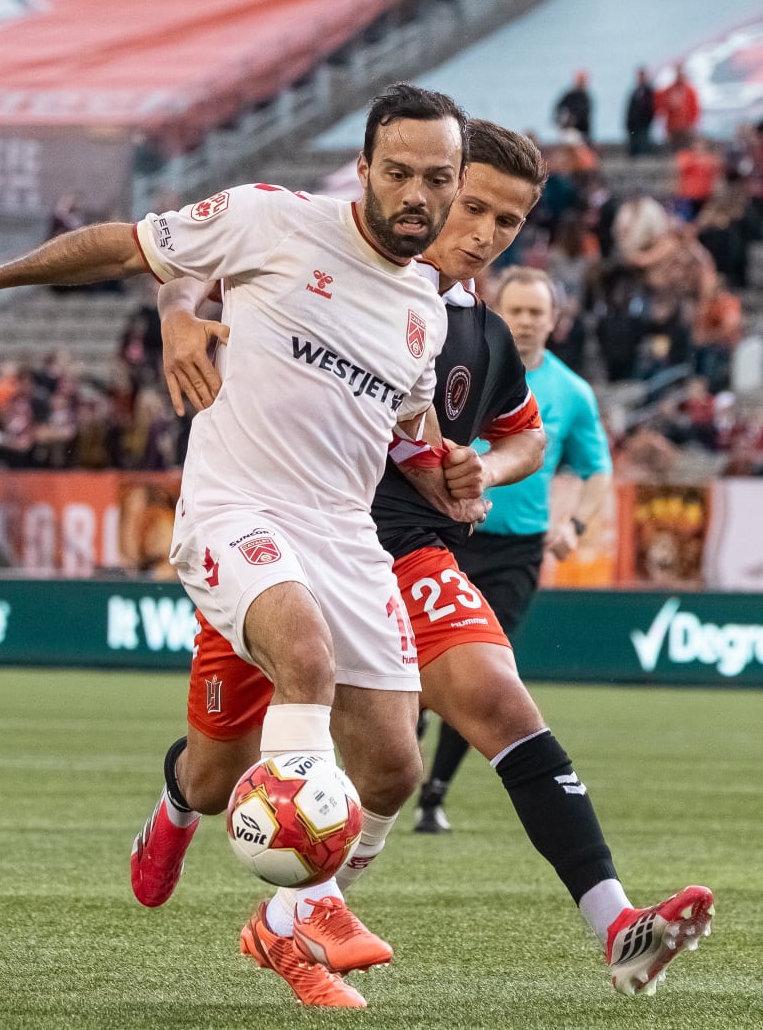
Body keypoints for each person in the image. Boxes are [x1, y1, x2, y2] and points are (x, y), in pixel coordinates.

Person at [0, 83, 485, 1011]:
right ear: (364, 169)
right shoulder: (276, 220)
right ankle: (309, 910)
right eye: (398, 172)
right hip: (237, 508)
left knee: (394, 764)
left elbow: (405, 435)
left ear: (455, 182)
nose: (415, 193)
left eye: (436, 177)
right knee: (304, 656)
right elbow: (130, 245)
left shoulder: (425, 312)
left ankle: (272, 890)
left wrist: (446, 476)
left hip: (344, 533)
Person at [162, 123, 714, 1002]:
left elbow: (523, 434)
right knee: (213, 771)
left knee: (481, 713)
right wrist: (175, 315)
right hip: (282, 538)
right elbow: (190, 250)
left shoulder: (477, 335)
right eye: (474, 205)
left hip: (402, 547)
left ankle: (616, 927)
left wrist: (480, 468)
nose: (485, 230)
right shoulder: (337, 257)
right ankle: (181, 817)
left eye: (507, 219)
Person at [413, 262, 712, 992]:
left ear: (555, 319)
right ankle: (287, 881)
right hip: (426, 536)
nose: (523, 319)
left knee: (491, 680)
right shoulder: (450, 341)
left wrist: (575, 521)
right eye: (513, 306)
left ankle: (439, 798)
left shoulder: (570, 392)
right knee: (393, 715)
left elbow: (585, 464)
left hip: (513, 548)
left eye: (536, 311)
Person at [655, 64, 700, 152]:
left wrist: (692, 123)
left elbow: (694, 109)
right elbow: (661, 105)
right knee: (674, 151)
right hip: (673, 127)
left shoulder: (690, 91)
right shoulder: (670, 90)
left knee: (686, 151)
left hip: (686, 127)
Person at [553, 71, 593, 144]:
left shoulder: (586, 98)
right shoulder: (569, 96)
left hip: (583, 134)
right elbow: (557, 111)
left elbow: (585, 117)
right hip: (569, 131)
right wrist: (563, 122)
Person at [624, 66, 655, 157]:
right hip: (633, 125)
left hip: (643, 125)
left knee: (643, 148)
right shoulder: (635, 92)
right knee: (634, 148)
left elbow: (650, 108)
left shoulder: (649, 92)